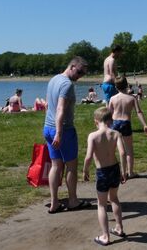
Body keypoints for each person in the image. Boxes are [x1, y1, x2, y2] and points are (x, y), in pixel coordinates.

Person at [43, 56, 91, 214]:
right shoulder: (67, 85)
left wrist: (53, 130)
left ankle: (54, 202)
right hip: (63, 130)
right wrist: (59, 132)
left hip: (48, 128)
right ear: (71, 67)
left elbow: (49, 104)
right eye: (78, 72)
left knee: (56, 165)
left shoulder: (54, 79)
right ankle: (72, 201)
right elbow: (60, 109)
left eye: (82, 74)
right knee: (71, 165)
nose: (79, 76)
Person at [83, 107, 128, 246]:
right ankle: (119, 228)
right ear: (110, 120)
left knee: (102, 205)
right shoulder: (116, 134)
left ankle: (105, 236)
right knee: (114, 199)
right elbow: (122, 153)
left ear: (96, 121)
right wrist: (124, 171)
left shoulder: (93, 136)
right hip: (114, 169)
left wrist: (85, 170)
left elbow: (89, 156)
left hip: (102, 171)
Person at [108, 76, 147, 179]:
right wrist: (144, 124)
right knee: (129, 150)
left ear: (115, 87)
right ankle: (129, 172)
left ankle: (117, 172)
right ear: (127, 85)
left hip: (115, 123)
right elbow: (138, 112)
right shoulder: (132, 98)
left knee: (115, 149)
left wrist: (107, 126)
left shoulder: (113, 98)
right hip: (126, 123)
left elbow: (109, 113)